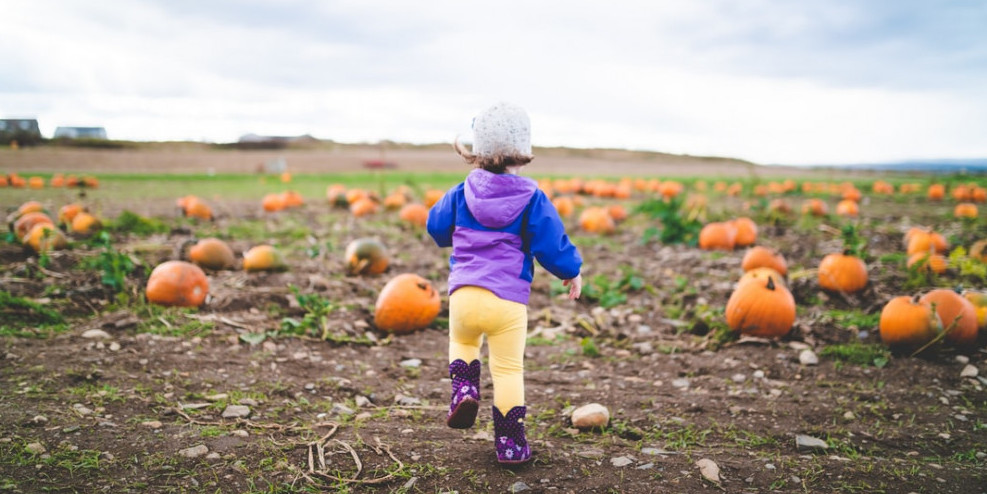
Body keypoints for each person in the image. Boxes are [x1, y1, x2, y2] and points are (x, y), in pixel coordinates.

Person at [426, 102, 583, 465]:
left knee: (463, 341)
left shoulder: (460, 191)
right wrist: (570, 271)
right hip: (508, 302)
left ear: (476, 150)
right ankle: (510, 444)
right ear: (523, 152)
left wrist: (460, 232)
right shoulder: (531, 198)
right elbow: (550, 244)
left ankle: (464, 388)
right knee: (509, 370)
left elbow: (436, 227)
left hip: (464, 296)